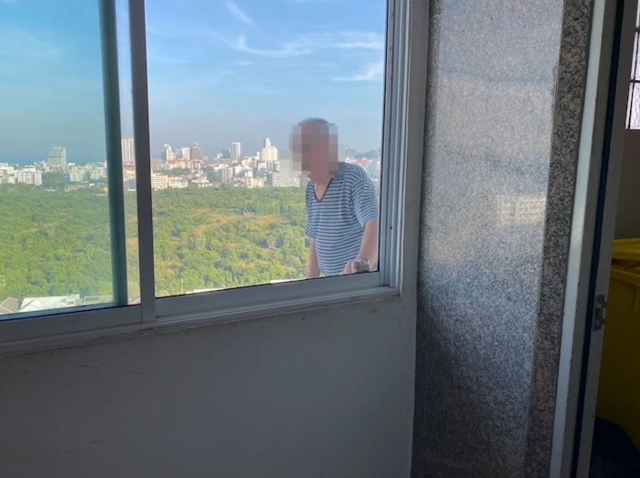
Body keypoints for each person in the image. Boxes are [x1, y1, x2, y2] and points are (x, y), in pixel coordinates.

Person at [291, 117, 379, 277]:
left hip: (355, 284)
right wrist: (311, 282)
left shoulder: (353, 178)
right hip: (332, 284)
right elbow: (316, 239)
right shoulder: (311, 187)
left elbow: (374, 225)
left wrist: (362, 265)